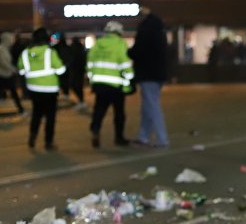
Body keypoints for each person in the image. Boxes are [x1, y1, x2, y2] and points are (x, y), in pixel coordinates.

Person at [87, 20, 134, 148]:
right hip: (115, 85)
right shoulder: (119, 43)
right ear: (119, 32)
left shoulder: (98, 44)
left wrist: (92, 80)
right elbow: (125, 63)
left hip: (99, 84)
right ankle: (119, 138)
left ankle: (95, 131)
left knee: (99, 110)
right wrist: (130, 78)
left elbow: (90, 63)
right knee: (119, 113)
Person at [19, 27, 66, 151]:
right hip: (50, 90)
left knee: (36, 114)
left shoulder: (25, 53)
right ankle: (48, 142)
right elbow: (61, 70)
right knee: (50, 116)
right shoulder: (50, 52)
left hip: (34, 89)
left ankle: (33, 136)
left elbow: (21, 70)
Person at [129, 8, 169, 148]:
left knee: (152, 106)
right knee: (147, 107)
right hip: (157, 73)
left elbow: (139, 51)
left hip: (148, 73)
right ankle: (144, 137)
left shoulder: (145, 29)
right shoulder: (158, 29)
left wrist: (129, 52)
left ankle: (162, 139)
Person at [0, 31, 25, 120]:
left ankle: (21, 110)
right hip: (1, 76)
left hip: (6, 75)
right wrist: (13, 69)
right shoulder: (0, 49)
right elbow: (3, 63)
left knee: (13, 93)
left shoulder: (4, 49)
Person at [67, 37, 88, 111]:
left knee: (75, 86)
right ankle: (81, 102)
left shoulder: (73, 49)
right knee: (78, 86)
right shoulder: (81, 48)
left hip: (75, 70)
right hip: (80, 70)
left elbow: (72, 59)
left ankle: (81, 102)